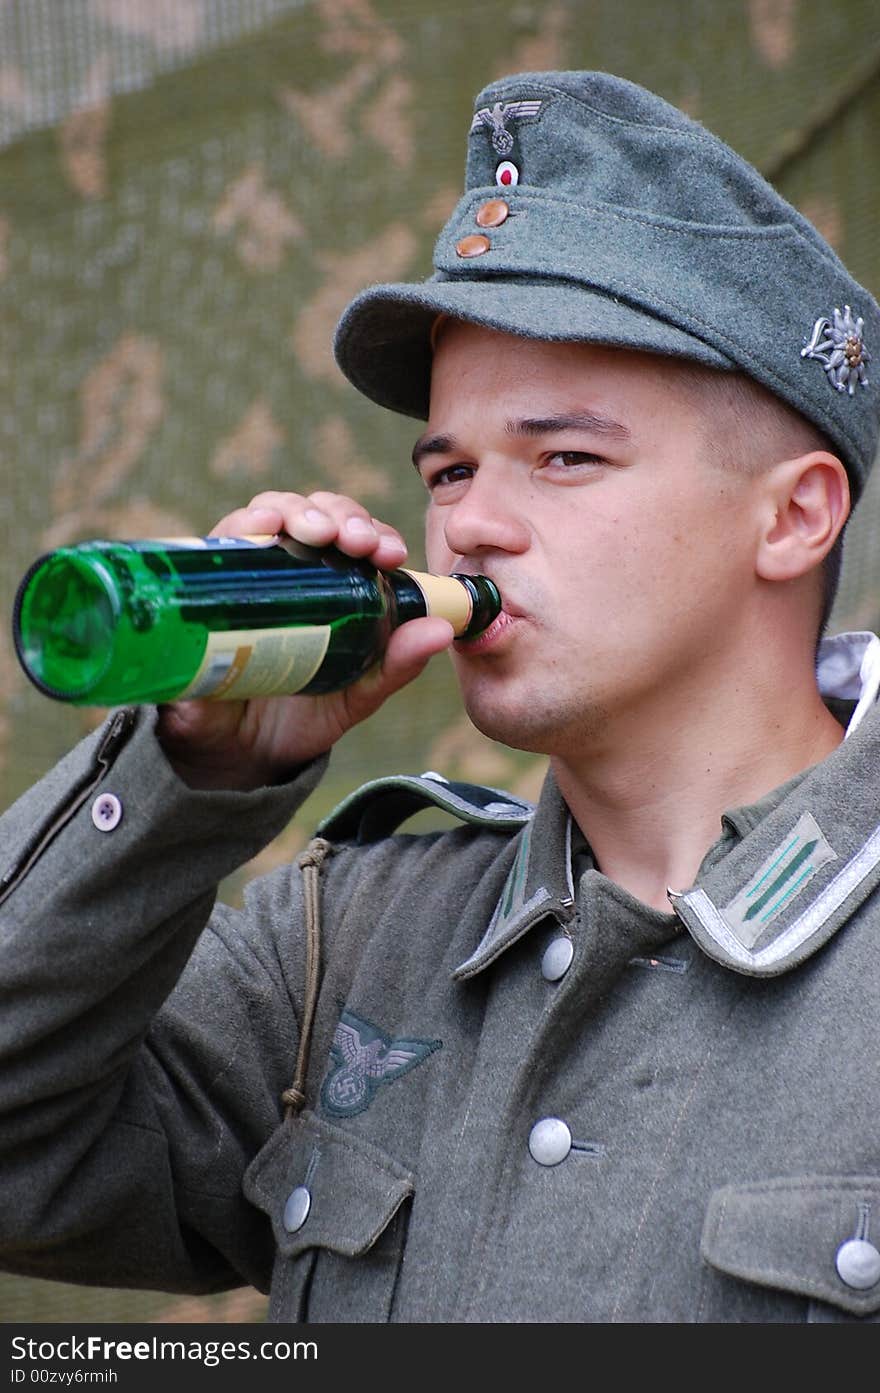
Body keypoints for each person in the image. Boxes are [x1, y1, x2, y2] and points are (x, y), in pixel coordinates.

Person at [2, 69, 880, 1324]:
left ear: (793, 515)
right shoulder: (347, 943)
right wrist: (192, 777)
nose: (467, 521)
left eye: (564, 457)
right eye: (449, 467)